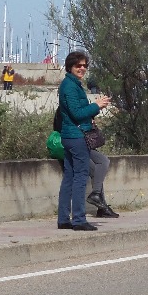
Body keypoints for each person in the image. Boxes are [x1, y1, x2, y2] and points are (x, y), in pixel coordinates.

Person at [57, 51, 111, 231]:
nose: (82, 68)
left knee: (69, 177)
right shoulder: (70, 87)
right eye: (78, 65)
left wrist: (94, 108)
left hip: (70, 136)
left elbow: (78, 112)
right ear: (70, 67)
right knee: (80, 177)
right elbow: (77, 113)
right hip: (76, 137)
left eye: (84, 66)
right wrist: (97, 106)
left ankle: (64, 219)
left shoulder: (72, 84)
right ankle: (79, 220)